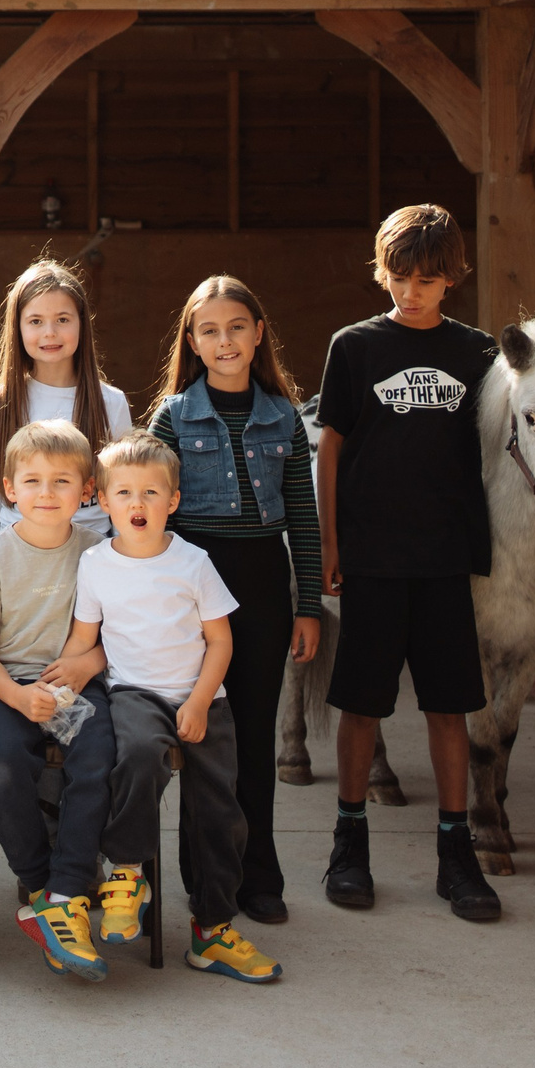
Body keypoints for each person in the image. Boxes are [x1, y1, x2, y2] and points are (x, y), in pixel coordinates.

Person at [314, 203, 505, 923]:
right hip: (371, 557)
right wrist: (333, 545)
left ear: (452, 278)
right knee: (361, 703)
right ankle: (348, 842)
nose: (412, 291)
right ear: (381, 270)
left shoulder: (479, 353)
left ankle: (455, 854)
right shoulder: (354, 347)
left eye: (427, 278)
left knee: (448, 705)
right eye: (399, 275)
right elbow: (331, 446)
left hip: (446, 558)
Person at [144, 275, 322, 925]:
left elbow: (302, 515)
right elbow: (149, 514)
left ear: (258, 333)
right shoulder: (172, 416)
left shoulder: (283, 415)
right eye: (211, 330)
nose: (225, 341)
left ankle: (261, 873)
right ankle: (206, 873)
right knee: (203, 734)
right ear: (193, 340)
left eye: (237, 327)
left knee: (251, 731)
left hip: (263, 585)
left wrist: (308, 605)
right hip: (193, 585)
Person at [74, 435, 281, 984]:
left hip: (201, 696)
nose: (136, 504)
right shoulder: (94, 564)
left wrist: (197, 701)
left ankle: (212, 930)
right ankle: (126, 872)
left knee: (220, 814)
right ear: (102, 499)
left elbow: (221, 643)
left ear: (174, 501)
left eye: (150, 492)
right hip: (134, 694)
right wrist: (61, 684)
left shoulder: (194, 563)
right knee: (137, 757)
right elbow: (82, 642)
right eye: (124, 492)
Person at [0, 420, 114, 981]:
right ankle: (39, 880)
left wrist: (85, 665)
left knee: (98, 757)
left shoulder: (98, 552)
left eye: (62, 481)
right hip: (2, 685)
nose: (47, 493)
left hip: (77, 683)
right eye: (33, 481)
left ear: (87, 490)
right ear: (9, 487)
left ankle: (69, 890)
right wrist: (21, 700)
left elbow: (116, 638)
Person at [0, 258, 132, 565]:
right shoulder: (0, 399)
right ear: (17, 327)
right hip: (15, 561)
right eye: (35, 321)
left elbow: (123, 493)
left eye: (62, 319)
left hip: (90, 561)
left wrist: (122, 568)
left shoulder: (111, 402)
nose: (49, 333)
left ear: (82, 322)